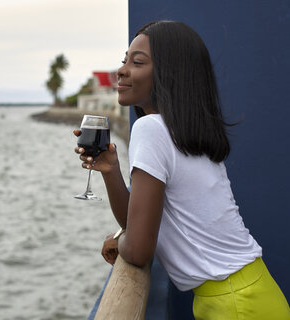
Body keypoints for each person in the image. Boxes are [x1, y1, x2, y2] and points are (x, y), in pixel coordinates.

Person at [74, 20, 290, 319]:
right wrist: (111, 171)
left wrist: (119, 242)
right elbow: (138, 223)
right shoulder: (182, 133)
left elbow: (137, 249)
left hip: (235, 305)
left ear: (168, 74)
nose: (122, 70)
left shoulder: (150, 129)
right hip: (246, 294)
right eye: (125, 60)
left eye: (137, 62)